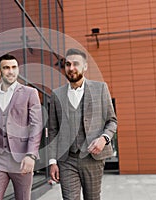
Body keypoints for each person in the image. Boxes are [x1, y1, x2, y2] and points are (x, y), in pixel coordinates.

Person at [48, 48, 117, 200]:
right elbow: (53, 130)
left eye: (76, 64)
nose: (71, 68)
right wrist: (52, 161)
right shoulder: (56, 95)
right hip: (66, 159)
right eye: (67, 64)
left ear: (85, 66)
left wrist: (104, 139)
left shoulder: (100, 88)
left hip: (93, 157)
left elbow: (112, 121)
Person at [0, 54, 42, 200]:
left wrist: (31, 155)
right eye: (6, 68)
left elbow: (36, 125)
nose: (11, 71)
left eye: (14, 67)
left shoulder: (30, 93)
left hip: (21, 159)